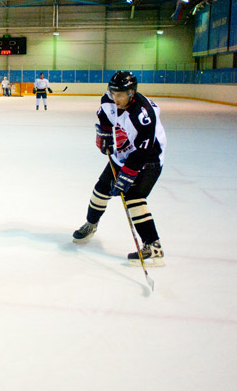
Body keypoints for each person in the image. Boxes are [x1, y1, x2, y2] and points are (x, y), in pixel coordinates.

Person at [72, 71, 167, 266]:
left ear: (132, 93)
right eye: (113, 93)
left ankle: (153, 245)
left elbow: (144, 150)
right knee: (100, 189)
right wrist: (105, 133)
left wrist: (128, 174)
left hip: (149, 158)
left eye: (121, 94)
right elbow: (104, 115)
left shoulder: (144, 115)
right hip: (122, 154)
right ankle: (91, 224)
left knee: (133, 197)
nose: (116, 98)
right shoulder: (108, 100)